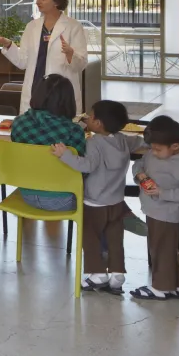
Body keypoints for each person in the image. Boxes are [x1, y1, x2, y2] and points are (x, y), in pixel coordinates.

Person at [53, 100, 143, 294]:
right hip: (117, 201)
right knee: (115, 239)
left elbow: (87, 166)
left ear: (98, 123)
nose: (87, 118)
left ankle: (97, 274)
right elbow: (139, 141)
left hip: (94, 202)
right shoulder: (122, 140)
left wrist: (65, 155)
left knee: (91, 237)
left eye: (91, 116)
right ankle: (117, 274)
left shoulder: (93, 143)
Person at [0, 0, 88, 113]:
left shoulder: (73, 27)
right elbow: (23, 62)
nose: (38, 1)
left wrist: (70, 54)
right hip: (35, 90)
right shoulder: (32, 26)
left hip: (60, 93)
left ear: (56, 2)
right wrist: (8, 44)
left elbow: (81, 65)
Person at [129, 115, 179, 301]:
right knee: (164, 249)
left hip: (167, 213)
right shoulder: (153, 152)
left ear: (175, 146)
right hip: (153, 209)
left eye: (158, 149)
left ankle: (160, 288)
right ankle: (176, 285)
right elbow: (139, 163)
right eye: (151, 147)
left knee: (161, 250)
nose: (153, 152)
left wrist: (162, 192)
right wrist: (140, 175)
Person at [8, 74, 86, 212]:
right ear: (68, 101)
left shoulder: (18, 123)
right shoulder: (74, 130)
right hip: (63, 199)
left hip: (27, 194)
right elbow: (81, 169)